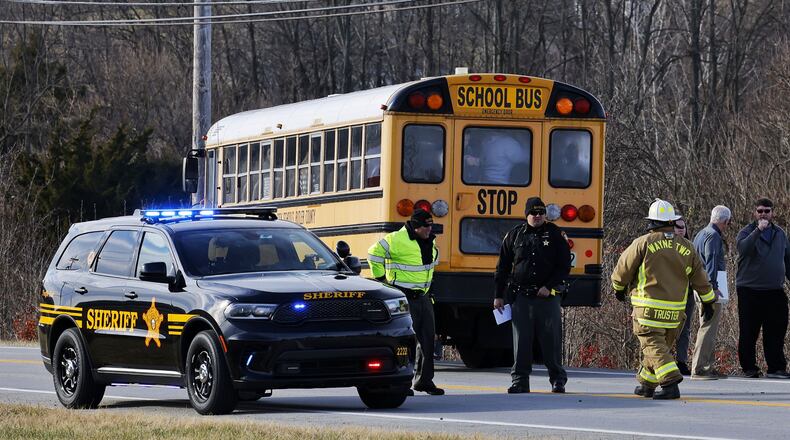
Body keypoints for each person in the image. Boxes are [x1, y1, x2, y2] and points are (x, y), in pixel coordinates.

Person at [611, 199, 716, 399]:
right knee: (659, 348)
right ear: (671, 221)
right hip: (675, 314)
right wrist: (708, 301)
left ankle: (670, 383)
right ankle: (647, 384)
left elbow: (622, 269)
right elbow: (700, 278)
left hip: (647, 311)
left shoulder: (643, 243)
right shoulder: (687, 246)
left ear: (652, 222)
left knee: (652, 345)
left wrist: (618, 288)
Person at [493, 197, 571, 394]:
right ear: (526, 214)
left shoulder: (555, 234)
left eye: (541, 212)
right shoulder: (514, 235)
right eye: (533, 213)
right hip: (521, 296)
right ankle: (520, 381)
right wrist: (498, 295)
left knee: (550, 340)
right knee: (521, 341)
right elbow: (502, 267)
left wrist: (548, 286)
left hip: (547, 296)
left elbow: (564, 266)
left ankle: (557, 379)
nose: (537, 216)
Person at [367, 208, 444, 395]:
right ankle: (402, 382)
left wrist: (429, 292)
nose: (429, 229)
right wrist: (382, 281)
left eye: (431, 225)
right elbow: (373, 254)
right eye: (426, 226)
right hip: (403, 297)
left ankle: (424, 381)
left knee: (427, 340)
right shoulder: (396, 239)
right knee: (404, 342)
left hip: (424, 297)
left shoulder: (430, 243)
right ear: (416, 226)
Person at [735, 198, 790, 379]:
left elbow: (787, 260)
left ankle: (776, 368)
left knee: (776, 330)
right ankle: (749, 367)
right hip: (749, 290)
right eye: (760, 211)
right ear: (754, 213)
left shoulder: (780, 234)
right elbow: (743, 250)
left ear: (772, 212)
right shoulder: (746, 232)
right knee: (749, 330)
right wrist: (758, 230)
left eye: (767, 211)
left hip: (774, 290)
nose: (763, 214)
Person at [689, 205, 732, 380]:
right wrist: (713, 286)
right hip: (708, 287)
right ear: (725, 221)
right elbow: (712, 260)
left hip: (698, 284)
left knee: (707, 326)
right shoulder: (713, 236)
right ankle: (700, 368)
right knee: (708, 327)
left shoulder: (700, 234)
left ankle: (707, 365)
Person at [464, 131, 529, 185]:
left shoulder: (486, 141)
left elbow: (483, 161)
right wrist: (522, 138)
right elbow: (526, 158)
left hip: (485, 181)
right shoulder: (508, 142)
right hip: (502, 183)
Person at [672, 219, 695, 376]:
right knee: (666, 328)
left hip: (687, 293)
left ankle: (681, 361)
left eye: (683, 227)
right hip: (668, 293)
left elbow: (697, 270)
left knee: (684, 329)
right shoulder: (666, 246)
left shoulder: (690, 247)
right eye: (677, 226)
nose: (681, 230)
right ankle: (662, 360)